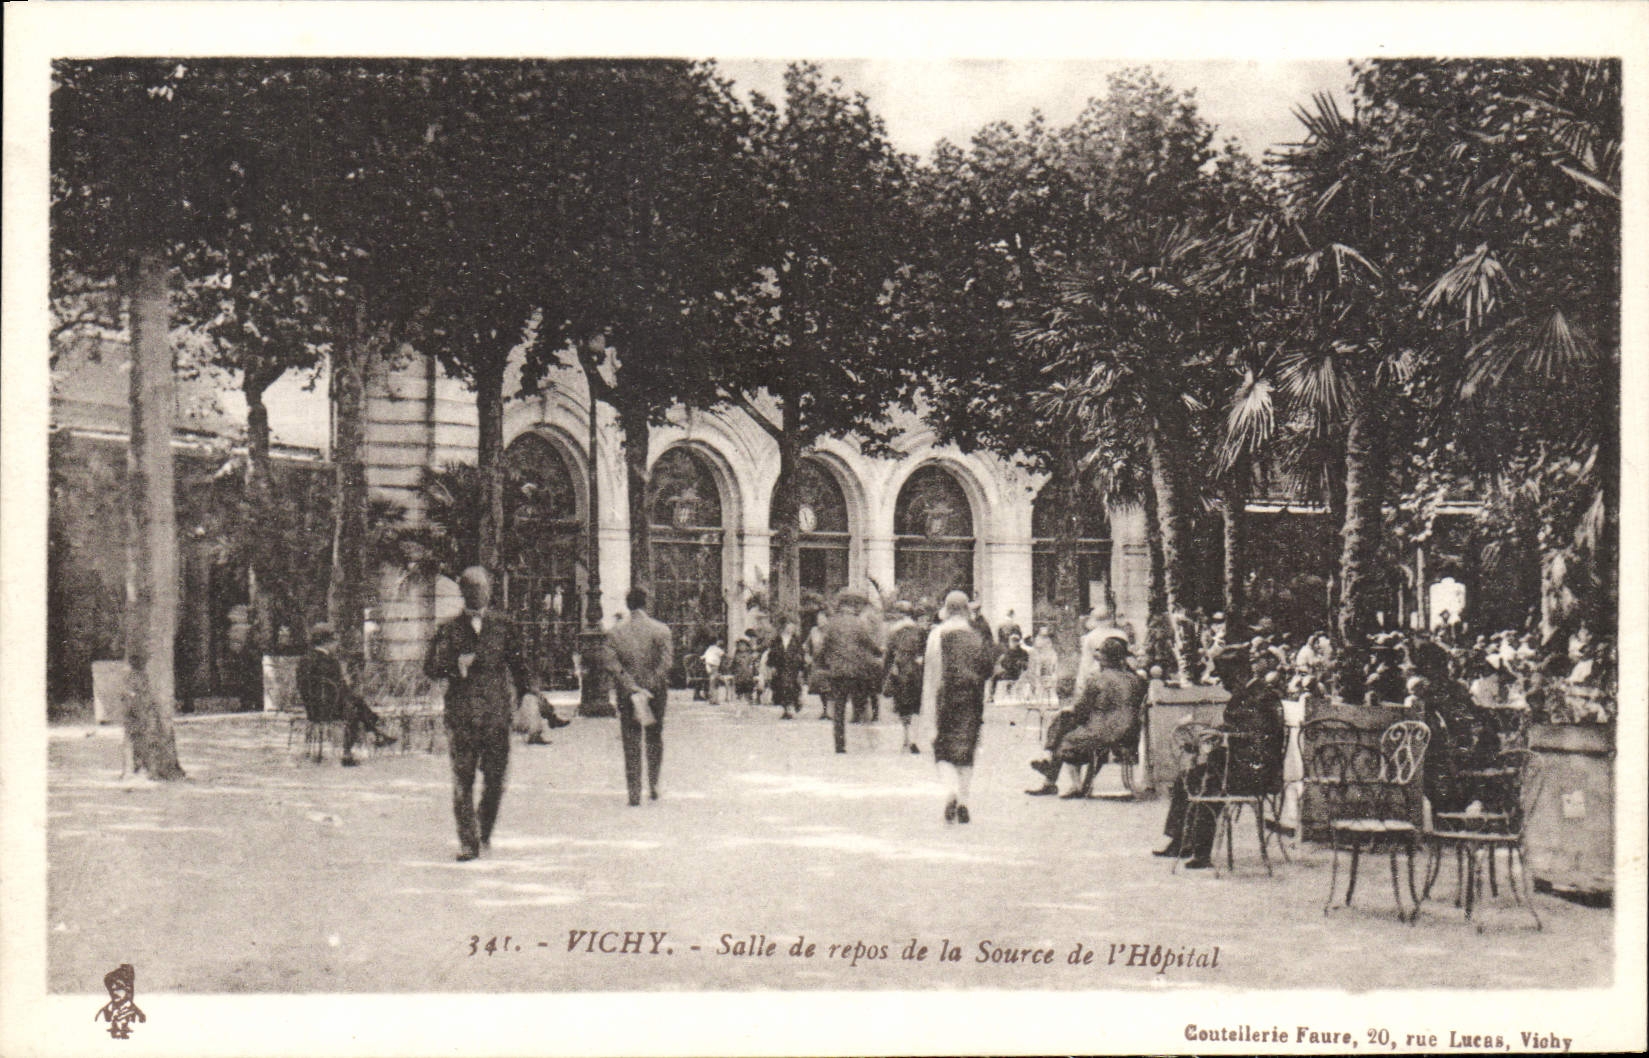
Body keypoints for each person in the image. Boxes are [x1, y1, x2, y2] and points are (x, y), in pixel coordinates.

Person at [424, 567, 539, 861]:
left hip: (496, 715)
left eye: (483, 587)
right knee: (462, 780)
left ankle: (482, 829)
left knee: (495, 780)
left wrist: (527, 697)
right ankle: (468, 842)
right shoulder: (448, 629)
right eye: (473, 588)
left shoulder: (505, 626)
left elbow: (521, 667)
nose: (480, 592)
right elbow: (430, 668)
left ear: (489, 590)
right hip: (461, 715)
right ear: (464, 593)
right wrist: (455, 664)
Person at [1154, 646, 1284, 869]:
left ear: (1239, 674)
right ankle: (1182, 841)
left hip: (1256, 770)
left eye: (1226, 678)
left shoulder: (1261, 696)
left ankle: (1200, 852)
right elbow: (1237, 728)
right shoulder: (1249, 693)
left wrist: (1220, 737)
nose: (1223, 684)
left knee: (1207, 785)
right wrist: (1213, 734)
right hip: (1241, 764)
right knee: (1188, 777)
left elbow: (1257, 737)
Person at [1026, 636, 1145, 798]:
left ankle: (1065, 780)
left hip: (1103, 732)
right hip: (1129, 733)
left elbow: (1082, 709)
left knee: (1065, 729)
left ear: (1104, 659)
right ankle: (1050, 777)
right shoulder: (1135, 680)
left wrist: (1067, 713)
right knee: (1065, 721)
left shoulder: (1098, 679)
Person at [919, 591, 996, 823]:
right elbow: (986, 670)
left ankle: (950, 790)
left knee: (943, 749)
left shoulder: (937, 634)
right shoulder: (976, 634)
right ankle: (963, 799)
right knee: (967, 750)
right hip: (971, 698)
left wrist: (928, 706)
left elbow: (931, 672)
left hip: (945, 697)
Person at [602, 587, 674, 806]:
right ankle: (653, 785)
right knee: (654, 735)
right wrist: (650, 684)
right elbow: (667, 662)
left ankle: (634, 792)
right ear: (646, 603)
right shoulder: (661, 630)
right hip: (655, 691)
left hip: (628, 693)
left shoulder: (615, 632)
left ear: (627, 604)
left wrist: (632, 686)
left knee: (630, 738)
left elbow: (612, 664)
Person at [297, 621, 396, 766]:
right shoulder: (329, 661)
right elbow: (339, 688)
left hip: (312, 709)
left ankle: (375, 732)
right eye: (334, 641)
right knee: (354, 709)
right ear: (326, 642)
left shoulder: (305, 659)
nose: (336, 645)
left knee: (355, 703)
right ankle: (350, 751)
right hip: (328, 708)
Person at [815, 593, 884, 753]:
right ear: (852, 608)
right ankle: (867, 741)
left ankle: (840, 745)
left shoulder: (832, 624)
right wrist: (878, 652)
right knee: (861, 703)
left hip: (838, 671)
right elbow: (868, 642)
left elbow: (822, 646)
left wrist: (820, 662)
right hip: (857, 671)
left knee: (839, 708)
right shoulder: (858, 623)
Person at [882, 601, 927, 753]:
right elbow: (924, 652)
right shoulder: (919, 631)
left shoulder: (894, 632)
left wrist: (885, 674)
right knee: (916, 707)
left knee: (903, 707)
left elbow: (888, 655)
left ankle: (906, 736)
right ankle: (914, 738)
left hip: (900, 672)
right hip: (916, 672)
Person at [768, 616, 805, 719]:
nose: (791, 629)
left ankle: (792, 706)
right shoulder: (777, 640)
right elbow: (772, 654)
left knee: (791, 688)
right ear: (784, 627)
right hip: (780, 667)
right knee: (781, 688)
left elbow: (801, 654)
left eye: (792, 627)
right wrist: (772, 666)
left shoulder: (796, 640)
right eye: (789, 627)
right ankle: (786, 709)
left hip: (793, 668)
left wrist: (801, 669)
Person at [804, 610, 831, 719]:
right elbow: (807, 645)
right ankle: (824, 710)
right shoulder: (813, 631)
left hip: (828, 662)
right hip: (817, 661)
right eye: (818, 619)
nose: (820, 621)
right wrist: (807, 656)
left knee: (829, 686)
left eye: (822, 618)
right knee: (821, 687)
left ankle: (829, 710)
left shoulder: (830, 631)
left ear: (827, 619)